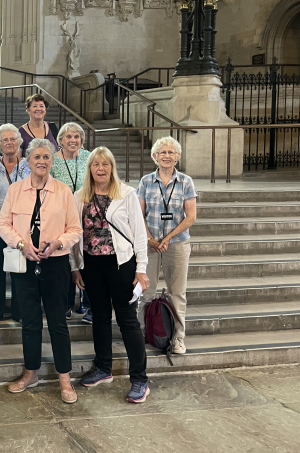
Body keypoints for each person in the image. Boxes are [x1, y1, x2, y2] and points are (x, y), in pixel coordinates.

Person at [0, 138, 82, 402]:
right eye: (36, 157)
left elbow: (75, 230)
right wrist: (21, 244)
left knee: (57, 322)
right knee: (30, 322)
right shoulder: (15, 190)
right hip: (24, 263)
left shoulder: (64, 191)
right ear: (28, 161)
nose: (41, 161)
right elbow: (2, 224)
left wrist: (58, 242)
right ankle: (30, 373)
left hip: (55, 263)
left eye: (46, 157)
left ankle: (65, 380)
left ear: (51, 161)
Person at [70, 147, 151, 403]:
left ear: (112, 167)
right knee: (101, 318)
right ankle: (103, 368)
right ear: (90, 168)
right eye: (96, 164)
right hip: (91, 265)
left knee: (127, 320)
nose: (101, 168)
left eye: (105, 164)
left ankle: (139, 379)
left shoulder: (126, 194)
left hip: (122, 264)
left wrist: (141, 269)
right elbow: (74, 234)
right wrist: (75, 266)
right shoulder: (80, 196)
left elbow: (139, 234)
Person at [137, 136, 197, 355]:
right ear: (155, 156)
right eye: (162, 152)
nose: (167, 156)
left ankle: (178, 338)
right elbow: (138, 215)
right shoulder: (145, 182)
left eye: (171, 152)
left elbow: (190, 217)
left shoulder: (186, 182)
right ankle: (145, 332)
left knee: (177, 292)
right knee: (146, 291)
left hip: (177, 244)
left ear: (178, 157)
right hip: (150, 244)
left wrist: (168, 237)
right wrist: (151, 239)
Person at [0, 124, 29, 323]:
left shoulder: (28, 165)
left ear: (18, 141)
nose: (9, 143)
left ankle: (20, 311)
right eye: (5, 140)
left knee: (20, 269)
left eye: (12, 139)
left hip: (21, 224)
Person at [50, 122, 92, 322]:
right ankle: (65, 303)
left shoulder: (88, 157)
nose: (73, 140)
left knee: (87, 258)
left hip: (88, 215)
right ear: (60, 141)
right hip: (61, 216)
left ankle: (87, 302)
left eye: (76, 137)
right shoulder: (53, 161)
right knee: (66, 259)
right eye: (69, 137)